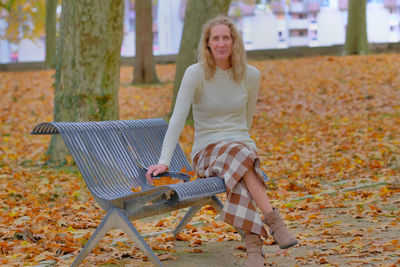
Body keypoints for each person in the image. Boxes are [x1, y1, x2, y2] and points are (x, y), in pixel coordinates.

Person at [146, 15, 298, 267]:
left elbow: (245, 122)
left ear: (234, 42)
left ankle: (254, 249)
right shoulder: (195, 74)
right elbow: (178, 118)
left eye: (226, 38)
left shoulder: (250, 75)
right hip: (207, 152)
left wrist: (240, 146)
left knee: (239, 162)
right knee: (242, 159)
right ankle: (275, 223)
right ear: (207, 44)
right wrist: (164, 161)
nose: (221, 43)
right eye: (215, 38)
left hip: (239, 150)